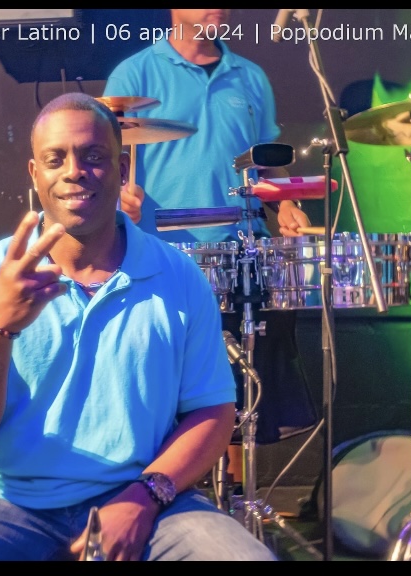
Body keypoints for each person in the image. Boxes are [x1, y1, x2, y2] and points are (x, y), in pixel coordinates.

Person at [0, 92, 278, 561]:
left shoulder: (179, 276)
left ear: (122, 168)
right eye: (56, 159)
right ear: (35, 174)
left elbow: (212, 412)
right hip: (6, 503)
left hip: (147, 499)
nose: (75, 171)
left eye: (93, 156)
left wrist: (144, 498)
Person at [103, 9, 319, 454]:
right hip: (164, 255)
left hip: (242, 252)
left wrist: (285, 202)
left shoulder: (250, 77)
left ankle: (236, 492)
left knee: (236, 391)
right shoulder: (135, 73)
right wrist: (119, 198)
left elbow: (266, 162)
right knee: (168, 392)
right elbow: (105, 158)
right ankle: (167, 485)